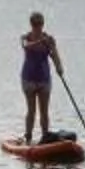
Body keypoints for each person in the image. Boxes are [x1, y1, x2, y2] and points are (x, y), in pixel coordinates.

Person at [16, 13, 64, 143]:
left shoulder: (48, 39)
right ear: (31, 25)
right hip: (28, 79)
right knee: (31, 110)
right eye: (35, 25)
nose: (38, 27)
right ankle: (28, 136)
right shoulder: (25, 37)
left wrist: (59, 67)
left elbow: (55, 55)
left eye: (40, 24)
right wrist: (41, 41)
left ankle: (45, 137)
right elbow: (27, 46)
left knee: (44, 111)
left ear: (43, 24)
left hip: (44, 79)